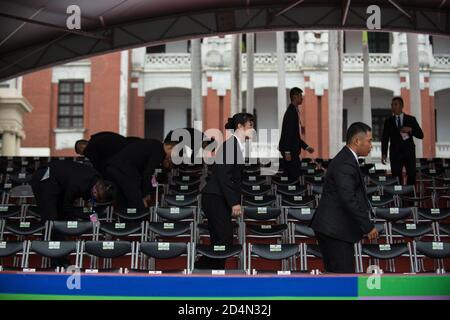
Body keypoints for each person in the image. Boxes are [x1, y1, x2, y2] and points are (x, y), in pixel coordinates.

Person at [310, 122, 378, 273]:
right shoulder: (345, 163)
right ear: (357, 141)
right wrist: (368, 225)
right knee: (343, 277)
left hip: (336, 229)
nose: (371, 145)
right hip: (335, 230)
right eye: (369, 141)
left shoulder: (347, 159)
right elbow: (348, 198)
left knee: (337, 278)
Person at [195, 113, 255, 270]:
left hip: (217, 198)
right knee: (225, 238)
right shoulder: (231, 146)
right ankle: (200, 267)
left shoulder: (235, 146)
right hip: (215, 197)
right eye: (250, 125)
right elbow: (224, 177)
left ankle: (211, 272)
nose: (252, 128)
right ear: (240, 127)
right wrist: (234, 202)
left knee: (220, 239)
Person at [30, 160, 117, 221]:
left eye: (98, 197)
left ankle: (62, 239)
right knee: (51, 217)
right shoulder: (77, 185)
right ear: (96, 187)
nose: (95, 194)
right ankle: (49, 243)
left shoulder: (98, 178)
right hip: (45, 178)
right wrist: (74, 223)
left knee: (59, 215)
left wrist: (93, 219)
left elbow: (91, 206)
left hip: (60, 181)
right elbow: (66, 206)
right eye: (95, 192)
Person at [104, 137, 176, 209]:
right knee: (138, 206)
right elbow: (147, 174)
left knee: (124, 204)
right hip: (124, 170)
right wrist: (145, 195)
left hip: (113, 166)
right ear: (169, 147)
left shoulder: (155, 145)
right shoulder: (159, 151)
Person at [381, 97, 424, 185]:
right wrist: (384, 153)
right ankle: (398, 197)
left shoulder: (411, 119)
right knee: (396, 177)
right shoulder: (388, 121)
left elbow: (421, 135)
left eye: (395, 104)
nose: (393, 107)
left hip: (409, 152)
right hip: (395, 154)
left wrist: (411, 129)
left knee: (411, 175)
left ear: (401, 106)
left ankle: (410, 197)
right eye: (392, 105)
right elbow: (384, 138)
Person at [278, 87, 315, 179]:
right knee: (294, 177)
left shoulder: (294, 111)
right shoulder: (291, 112)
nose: (302, 98)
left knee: (291, 176)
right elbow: (287, 133)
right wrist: (287, 151)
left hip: (292, 151)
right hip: (290, 152)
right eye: (300, 96)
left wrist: (306, 147)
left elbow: (295, 135)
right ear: (295, 97)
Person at [75, 132, 142, 176]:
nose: (83, 154)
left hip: (129, 158)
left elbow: (99, 167)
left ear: (82, 147)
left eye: (81, 152)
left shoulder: (91, 149)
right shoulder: (98, 136)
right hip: (134, 144)